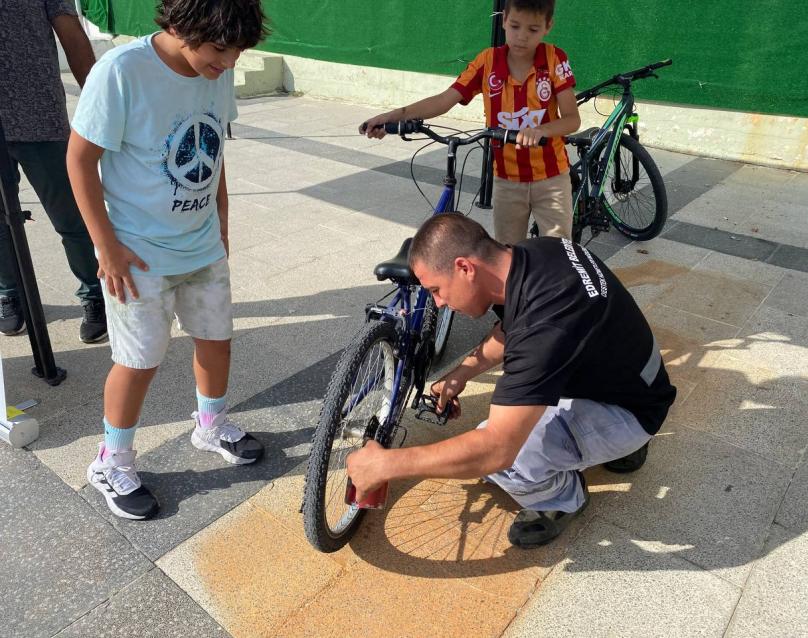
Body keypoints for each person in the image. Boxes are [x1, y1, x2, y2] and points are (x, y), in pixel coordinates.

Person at [346, 214, 677, 548]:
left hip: (629, 411)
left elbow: (497, 449)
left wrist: (386, 464)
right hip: (635, 378)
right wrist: (461, 374)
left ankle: (563, 499)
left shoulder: (546, 324)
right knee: (498, 437)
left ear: (464, 267)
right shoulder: (535, 253)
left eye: (436, 290)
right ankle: (616, 448)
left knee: (507, 461)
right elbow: (509, 329)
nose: (439, 303)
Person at [66, 0, 269, 520]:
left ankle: (211, 424)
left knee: (216, 341)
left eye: (237, 53)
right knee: (138, 362)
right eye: (219, 50)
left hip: (200, 245)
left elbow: (213, 145)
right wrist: (106, 245)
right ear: (180, 26)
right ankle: (111, 460)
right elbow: (80, 160)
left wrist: (221, 216)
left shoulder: (216, 70)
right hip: (137, 252)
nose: (227, 64)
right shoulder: (121, 72)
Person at [361, 0, 581, 246]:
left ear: (548, 26)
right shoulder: (487, 62)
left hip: (551, 178)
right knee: (509, 254)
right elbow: (444, 100)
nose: (521, 37)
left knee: (560, 253)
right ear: (504, 20)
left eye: (533, 30)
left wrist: (541, 130)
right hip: (507, 180)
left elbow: (572, 119)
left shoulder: (554, 58)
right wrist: (391, 117)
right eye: (515, 26)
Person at [0, 0, 107, 342]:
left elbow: (71, 34)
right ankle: (9, 293)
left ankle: (95, 294)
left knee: (73, 218)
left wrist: (99, 109)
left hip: (40, 118)